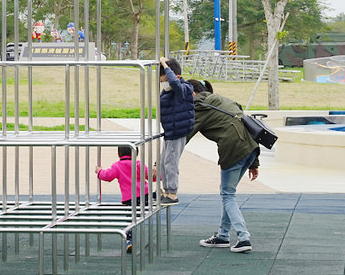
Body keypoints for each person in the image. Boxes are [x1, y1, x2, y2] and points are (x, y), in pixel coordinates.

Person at [189, 79, 260, 253]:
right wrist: (254, 162)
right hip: (250, 147)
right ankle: (223, 235)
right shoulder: (223, 100)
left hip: (234, 149)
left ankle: (243, 238)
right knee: (228, 193)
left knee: (227, 195)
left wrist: (164, 159)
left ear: (192, 93)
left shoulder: (199, 106)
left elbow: (186, 134)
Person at [96, 145, 151, 252]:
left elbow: (107, 176)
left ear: (119, 154)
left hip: (130, 198)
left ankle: (129, 240)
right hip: (144, 194)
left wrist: (99, 171)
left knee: (130, 219)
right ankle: (154, 195)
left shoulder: (117, 166)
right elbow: (150, 176)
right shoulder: (138, 164)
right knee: (141, 215)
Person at [157, 56, 195, 205]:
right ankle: (166, 190)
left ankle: (172, 192)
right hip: (170, 132)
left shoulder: (184, 89)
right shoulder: (168, 92)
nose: (164, 84)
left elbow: (174, 82)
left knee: (170, 163)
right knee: (163, 162)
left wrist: (165, 65)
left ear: (176, 76)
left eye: (164, 80)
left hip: (178, 132)